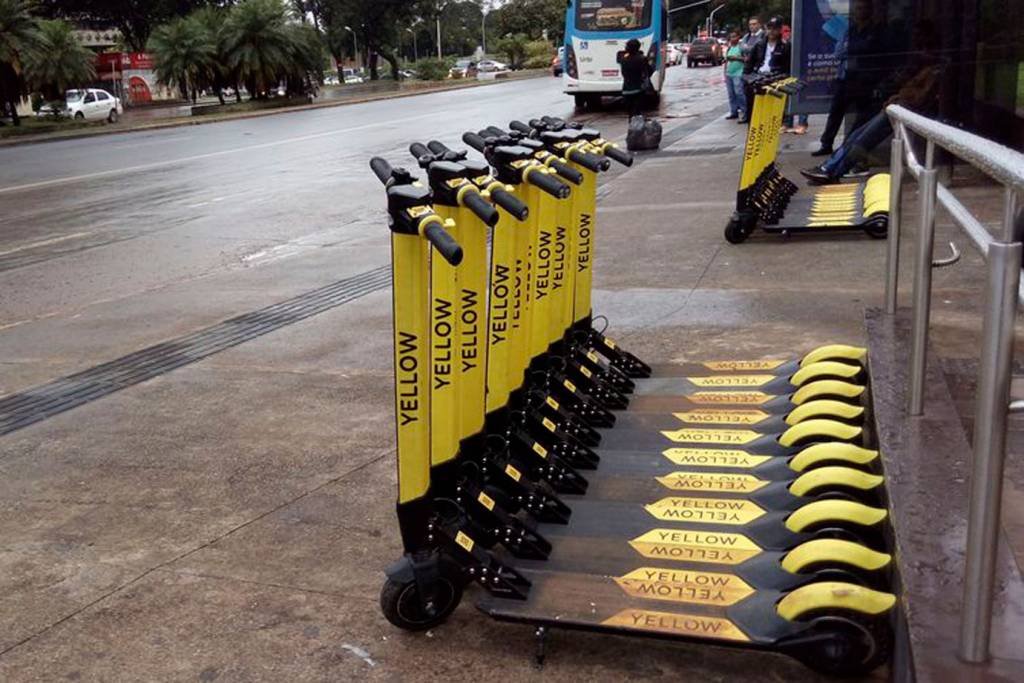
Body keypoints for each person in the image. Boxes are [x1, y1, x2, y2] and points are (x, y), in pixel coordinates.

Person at [801, 22, 942, 184]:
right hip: (898, 108)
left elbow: (921, 98)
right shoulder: (919, 65)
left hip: (908, 113)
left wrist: (899, 97)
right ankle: (830, 166)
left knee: (863, 140)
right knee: (856, 135)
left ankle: (834, 170)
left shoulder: (934, 69)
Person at [813, 0, 886, 156]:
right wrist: (851, 48)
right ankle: (826, 144)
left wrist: (850, 48)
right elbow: (838, 52)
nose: (860, 12)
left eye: (863, 9)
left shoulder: (874, 30)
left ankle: (848, 147)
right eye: (858, 9)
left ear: (869, 11)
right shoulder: (850, 30)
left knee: (861, 115)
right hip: (844, 77)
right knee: (835, 112)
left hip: (862, 78)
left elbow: (866, 48)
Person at [780, 24, 808, 134]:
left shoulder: (799, 41)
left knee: (801, 98)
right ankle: (787, 123)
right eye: (784, 32)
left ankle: (802, 124)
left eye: (787, 31)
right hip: (788, 74)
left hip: (801, 72)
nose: (786, 34)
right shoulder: (782, 44)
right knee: (788, 100)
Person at [737, 16, 764, 124]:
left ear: (759, 24)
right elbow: (741, 48)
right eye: (750, 24)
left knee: (758, 93)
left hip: (758, 69)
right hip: (747, 69)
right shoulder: (747, 36)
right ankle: (749, 116)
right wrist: (748, 48)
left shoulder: (763, 35)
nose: (752, 26)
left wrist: (748, 48)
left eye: (754, 24)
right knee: (745, 93)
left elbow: (755, 48)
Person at [618, 38, 651, 118]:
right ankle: (637, 127)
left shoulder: (623, 60)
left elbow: (623, 73)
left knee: (631, 114)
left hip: (626, 90)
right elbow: (649, 71)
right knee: (638, 112)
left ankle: (632, 126)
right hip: (639, 90)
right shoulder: (642, 59)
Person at [723, 31, 746, 119]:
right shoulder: (729, 48)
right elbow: (726, 61)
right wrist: (725, 73)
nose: (732, 39)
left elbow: (746, 59)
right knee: (731, 94)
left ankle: (744, 111)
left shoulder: (741, 47)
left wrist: (736, 58)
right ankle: (734, 111)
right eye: (731, 37)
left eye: (734, 37)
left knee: (739, 93)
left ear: (738, 37)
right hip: (729, 73)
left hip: (738, 73)